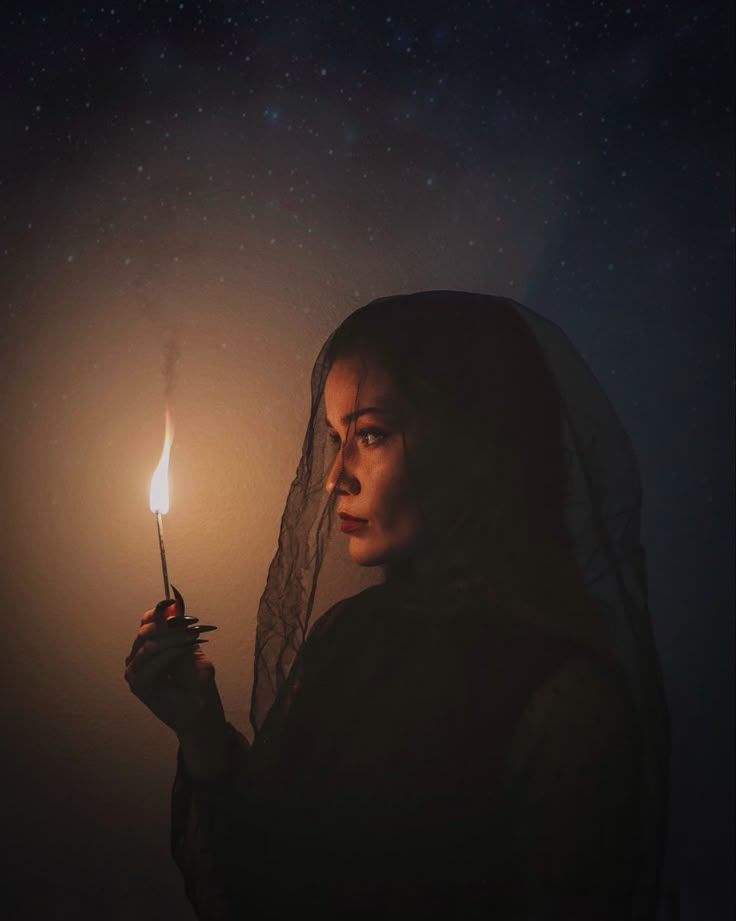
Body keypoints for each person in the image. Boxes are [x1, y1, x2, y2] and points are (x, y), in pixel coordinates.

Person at [125, 291, 671, 920]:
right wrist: (197, 725)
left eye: (372, 435)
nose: (334, 477)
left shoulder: (567, 699)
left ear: (473, 447)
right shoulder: (348, 638)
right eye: (335, 438)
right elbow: (252, 887)